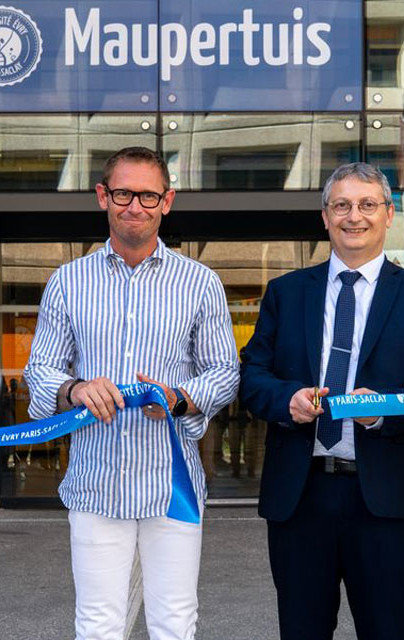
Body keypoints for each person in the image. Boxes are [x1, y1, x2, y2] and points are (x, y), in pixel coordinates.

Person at [22, 146, 241, 640]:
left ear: (168, 201)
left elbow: (225, 371)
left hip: (172, 485)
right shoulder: (67, 281)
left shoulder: (200, 282)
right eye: (123, 193)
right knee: (99, 624)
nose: (134, 206)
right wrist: (75, 389)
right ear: (103, 196)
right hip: (96, 484)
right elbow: (41, 371)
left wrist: (179, 397)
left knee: (174, 623)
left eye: (148, 195)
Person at [238, 163, 404, 640]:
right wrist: (286, 400)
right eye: (342, 205)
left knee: (387, 631)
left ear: (389, 214)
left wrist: (383, 409)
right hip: (301, 497)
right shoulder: (286, 293)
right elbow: (251, 377)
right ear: (325, 216)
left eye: (367, 205)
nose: (354, 216)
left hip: (382, 502)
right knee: (301, 631)